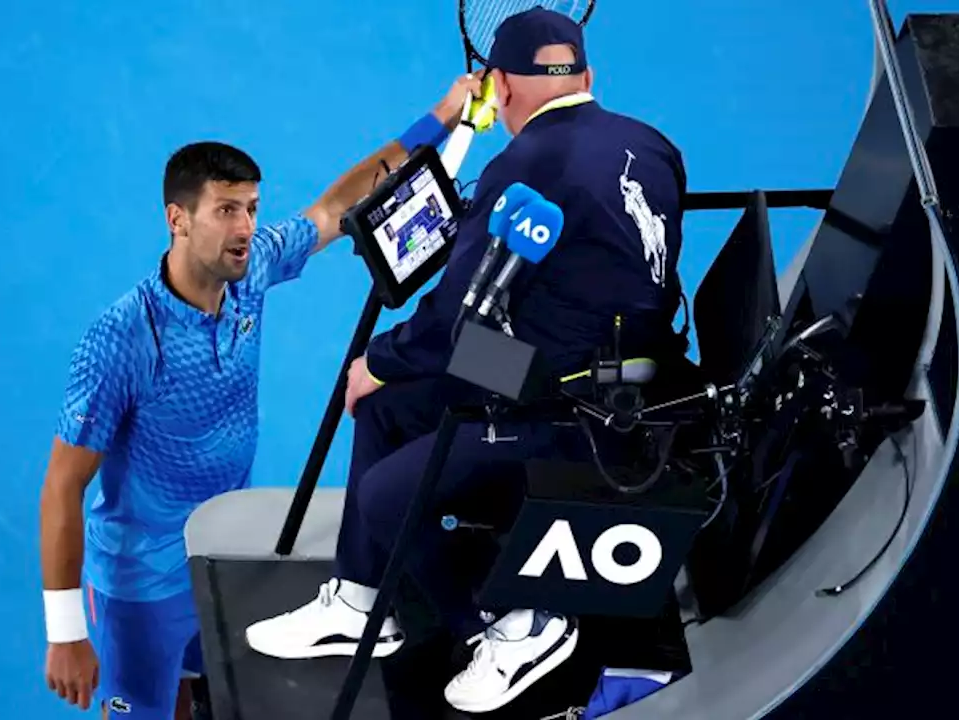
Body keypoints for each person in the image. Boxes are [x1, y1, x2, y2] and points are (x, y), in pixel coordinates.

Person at [244, 7, 691, 714]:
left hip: (565, 400)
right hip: (623, 371)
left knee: (391, 476)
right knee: (392, 409)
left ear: (502, 90)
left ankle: (512, 628)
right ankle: (361, 602)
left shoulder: (525, 165)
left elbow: (454, 323)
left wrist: (378, 361)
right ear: (585, 75)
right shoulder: (653, 145)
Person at [38, 73, 483, 720]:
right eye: (226, 211)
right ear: (177, 219)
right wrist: (64, 631)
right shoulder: (123, 338)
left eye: (250, 208)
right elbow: (61, 487)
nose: (246, 227)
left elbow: (338, 207)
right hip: (142, 591)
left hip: (218, 552)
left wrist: (441, 118)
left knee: (209, 688)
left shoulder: (251, 273)